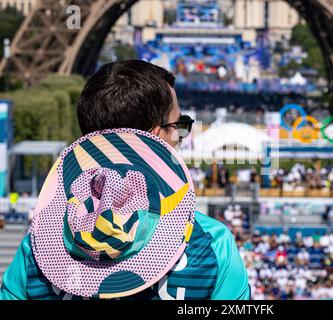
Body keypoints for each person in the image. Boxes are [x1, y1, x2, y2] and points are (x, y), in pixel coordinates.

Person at [1, 60, 250, 300]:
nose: (181, 136)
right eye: (179, 124)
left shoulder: (39, 246)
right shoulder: (212, 244)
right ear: (154, 135)